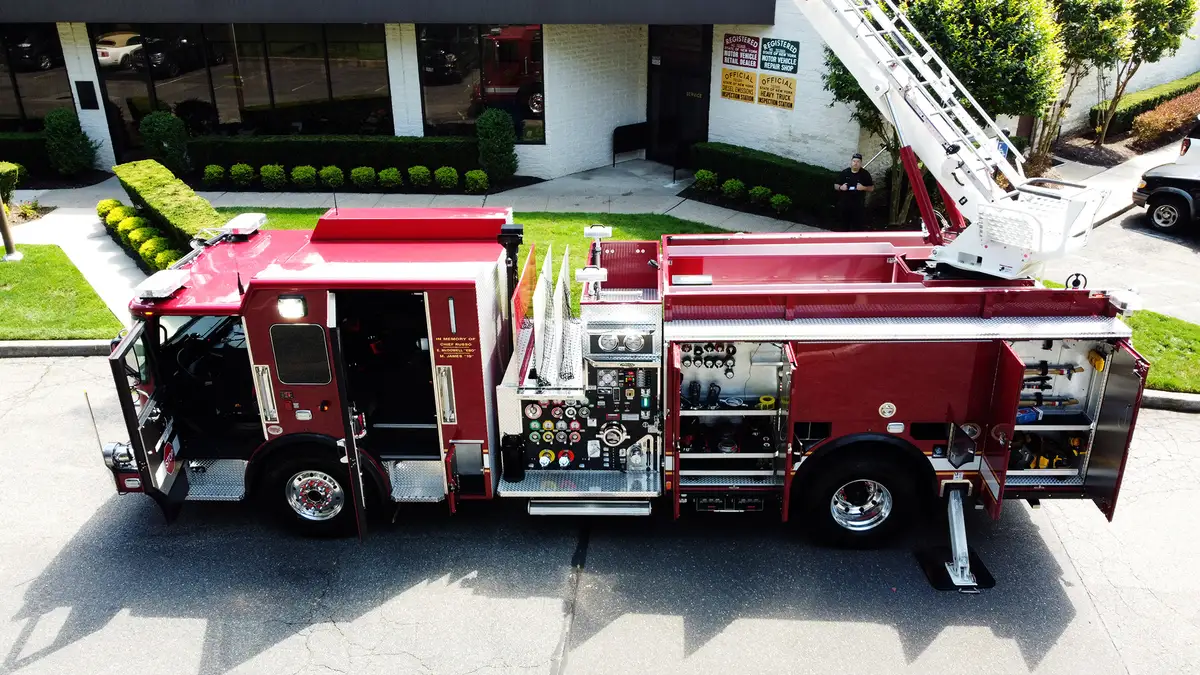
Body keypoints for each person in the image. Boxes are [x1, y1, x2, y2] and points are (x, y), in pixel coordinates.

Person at [833, 152, 874, 228]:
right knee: (843, 226)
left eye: (858, 162)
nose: (856, 163)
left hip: (858, 206)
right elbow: (835, 185)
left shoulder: (865, 174)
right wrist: (840, 187)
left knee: (857, 228)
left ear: (861, 163)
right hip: (844, 205)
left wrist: (863, 188)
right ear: (851, 162)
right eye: (854, 161)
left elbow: (871, 188)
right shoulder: (845, 172)